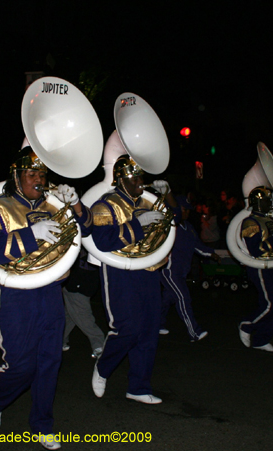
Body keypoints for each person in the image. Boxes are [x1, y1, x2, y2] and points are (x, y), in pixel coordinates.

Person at [0, 147, 93, 450]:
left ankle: (42, 424)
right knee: (22, 364)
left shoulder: (54, 206)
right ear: (16, 176)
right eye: (32, 173)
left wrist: (76, 204)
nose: (39, 178)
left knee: (50, 361)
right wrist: (31, 233)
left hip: (50, 291)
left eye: (42, 173)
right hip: (13, 293)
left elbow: (87, 229)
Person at [89, 154, 170, 405]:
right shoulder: (106, 204)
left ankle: (138, 386)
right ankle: (103, 367)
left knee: (148, 332)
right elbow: (102, 240)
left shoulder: (148, 201)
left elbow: (173, 224)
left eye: (141, 176)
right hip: (119, 271)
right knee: (127, 328)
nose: (139, 181)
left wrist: (167, 197)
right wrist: (137, 224)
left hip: (148, 271)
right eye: (134, 176)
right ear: (120, 178)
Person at [237, 186, 273, 352]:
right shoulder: (250, 222)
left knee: (272, 303)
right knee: (271, 304)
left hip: (271, 264)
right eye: (268, 200)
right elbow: (255, 250)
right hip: (260, 266)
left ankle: (262, 339)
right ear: (259, 202)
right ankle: (247, 325)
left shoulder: (268, 219)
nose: (271, 203)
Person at [159, 195, 218, 341]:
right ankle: (194, 332)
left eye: (188, 210)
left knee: (167, 299)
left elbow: (197, 246)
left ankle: (155, 324)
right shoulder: (170, 226)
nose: (187, 213)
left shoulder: (189, 228)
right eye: (184, 209)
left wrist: (212, 253)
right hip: (169, 270)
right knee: (183, 297)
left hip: (182, 271)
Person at [62, 247, 105, 359]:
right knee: (83, 315)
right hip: (76, 282)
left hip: (84, 282)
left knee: (72, 315)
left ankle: (57, 340)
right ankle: (99, 344)